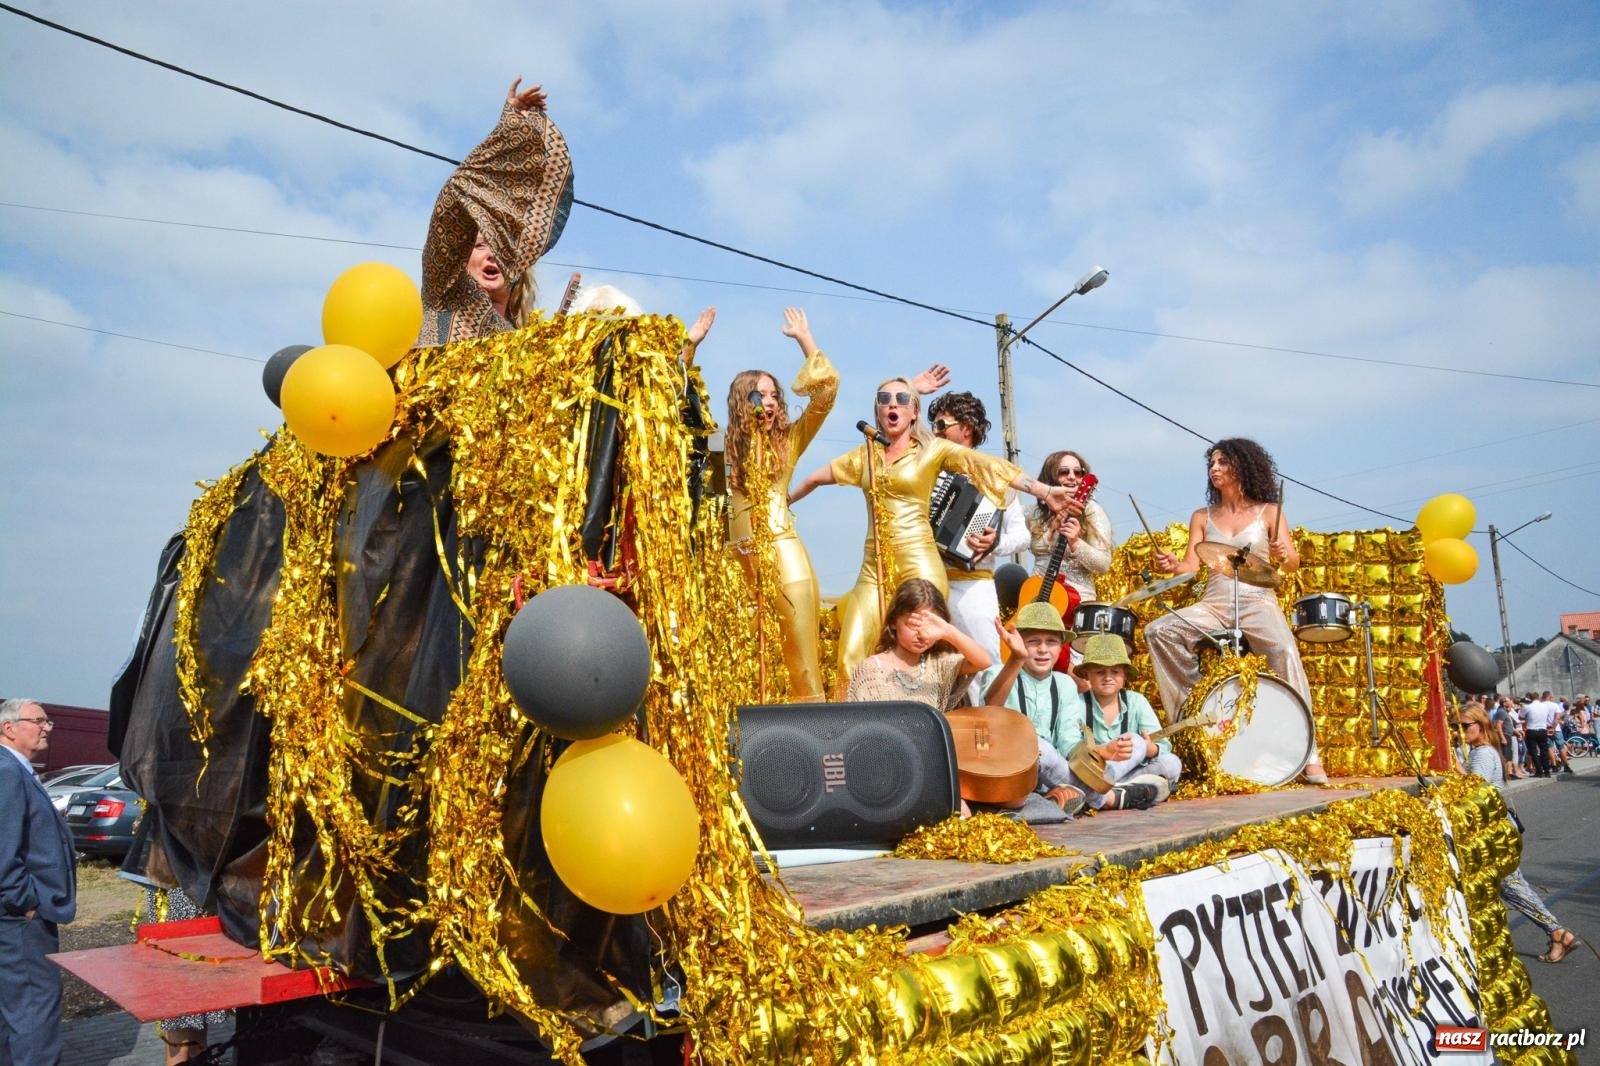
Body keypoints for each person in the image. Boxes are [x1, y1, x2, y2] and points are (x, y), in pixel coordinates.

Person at [790, 378, 1077, 683]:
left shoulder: (936, 453)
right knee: (855, 653)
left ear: (915, 412)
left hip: (944, 573)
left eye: (903, 399)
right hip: (879, 567)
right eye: (884, 399)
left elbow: (993, 471)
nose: (892, 404)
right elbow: (816, 477)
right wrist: (780, 501)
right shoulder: (867, 457)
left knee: (954, 663)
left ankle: (960, 712)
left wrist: (1043, 492)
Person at [1144, 438, 1327, 785]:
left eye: (1223, 462)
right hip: (1213, 603)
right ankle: (1198, 714)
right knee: (1158, 631)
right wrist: (1171, 565)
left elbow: (1292, 563)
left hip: (1258, 601)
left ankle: (1309, 752)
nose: (1215, 469)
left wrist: (1282, 553)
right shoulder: (1202, 516)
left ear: (1243, 466)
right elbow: (1190, 566)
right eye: (1212, 463)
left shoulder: (1269, 512)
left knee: (1285, 651)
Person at [725, 308, 838, 700]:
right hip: (737, 568)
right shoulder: (720, 448)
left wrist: (805, 340)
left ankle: (816, 733)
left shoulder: (789, 440)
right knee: (744, 671)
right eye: (761, 395)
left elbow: (826, 394)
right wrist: (691, 347)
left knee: (801, 666)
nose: (770, 402)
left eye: (775, 395)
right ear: (742, 401)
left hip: (785, 561)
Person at [927, 392, 1033, 693]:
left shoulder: (996, 475)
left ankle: (993, 722)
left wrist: (994, 542)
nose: (935, 432)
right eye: (933, 425)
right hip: (927, 585)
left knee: (985, 671)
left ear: (967, 428)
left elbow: (1023, 536)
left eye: (941, 425)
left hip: (973, 587)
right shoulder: (925, 470)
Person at [1456, 705, 1578, 963]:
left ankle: (1557, 932)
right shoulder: (1482, 751)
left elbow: (1475, 793)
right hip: (1496, 829)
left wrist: (1455, 768)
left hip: (1494, 831)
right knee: (1505, 886)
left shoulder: (1482, 753)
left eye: (1465, 726)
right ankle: (1555, 933)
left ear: (1481, 725)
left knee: (1511, 886)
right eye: (1455, 726)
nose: (1459, 731)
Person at [0, 699, 77, 1066]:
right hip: (20, 919)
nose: (47, 727)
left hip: (17, 914)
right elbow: (3, 851)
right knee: (34, 1007)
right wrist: (25, 902)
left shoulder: (15, 769)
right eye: (39, 720)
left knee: (13, 1008)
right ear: (8, 727)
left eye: (49, 721)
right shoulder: (7, 771)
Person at [977, 603, 1090, 813]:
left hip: (1048, 771)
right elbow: (990, 710)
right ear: (1019, 642)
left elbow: (1068, 739)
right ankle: (1107, 796)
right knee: (1039, 746)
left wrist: (1092, 755)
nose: (1043, 649)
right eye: (1033, 642)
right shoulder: (997, 672)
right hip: (1007, 769)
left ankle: (1060, 794)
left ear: (1061, 647)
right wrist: (1017, 658)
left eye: (1051, 642)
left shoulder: (1065, 683)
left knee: (1144, 750)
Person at [846, 579, 992, 711]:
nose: (921, 634)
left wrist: (948, 631)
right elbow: (859, 721)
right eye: (913, 625)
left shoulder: (938, 665)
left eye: (930, 627)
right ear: (894, 621)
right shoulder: (872, 670)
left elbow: (983, 662)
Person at [1025, 450, 1114, 602]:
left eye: (1078, 472)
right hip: (1035, 598)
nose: (1072, 477)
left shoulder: (1091, 510)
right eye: (1064, 472)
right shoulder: (1034, 513)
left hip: (1076, 601)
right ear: (1049, 477)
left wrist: (1076, 543)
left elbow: (1103, 565)